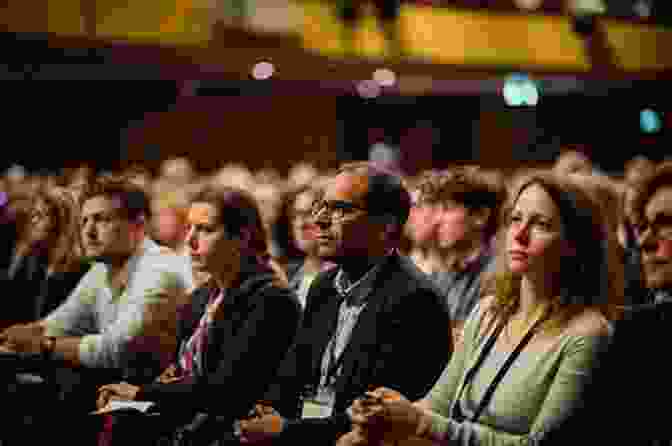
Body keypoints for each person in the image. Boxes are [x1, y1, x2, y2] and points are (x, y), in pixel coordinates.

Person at [341, 169, 619, 446]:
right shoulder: (488, 311)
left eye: (541, 224)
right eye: (515, 219)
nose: (520, 234)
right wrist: (388, 415)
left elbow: (539, 444)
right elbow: (438, 405)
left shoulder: (588, 333)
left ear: (575, 243)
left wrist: (417, 420)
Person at [239, 162, 452, 446]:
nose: (321, 220)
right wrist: (264, 411)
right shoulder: (323, 287)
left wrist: (285, 431)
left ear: (386, 225)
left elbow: (378, 417)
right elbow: (290, 376)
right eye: (323, 207)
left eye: (341, 209)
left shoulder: (416, 301)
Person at [95, 186, 301, 446]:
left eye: (205, 230)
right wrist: (145, 388)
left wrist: (142, 392)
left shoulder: (270, 300)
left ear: (243, 236)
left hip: (238, 430)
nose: (190, 240)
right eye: (190, 228)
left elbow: (227, 390)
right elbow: (179, 373)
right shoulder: (202, 296)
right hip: (192, 420)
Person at [0, 178, 193, 388]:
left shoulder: (160, 268)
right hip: (123, 389)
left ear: (139, 224)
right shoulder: (101, 268)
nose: (88, 232)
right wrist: (17, 337)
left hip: (159, 399)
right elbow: (62, 322)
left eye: (101, 220)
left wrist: (45, 345)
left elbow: (118, 349)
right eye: (84, 221)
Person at [0, 187, 89, 330]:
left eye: (41, 216)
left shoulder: (81, 269)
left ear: (60, 221)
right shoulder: (29, 261)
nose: (33, 221)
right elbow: (10, 311)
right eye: (34, 215)